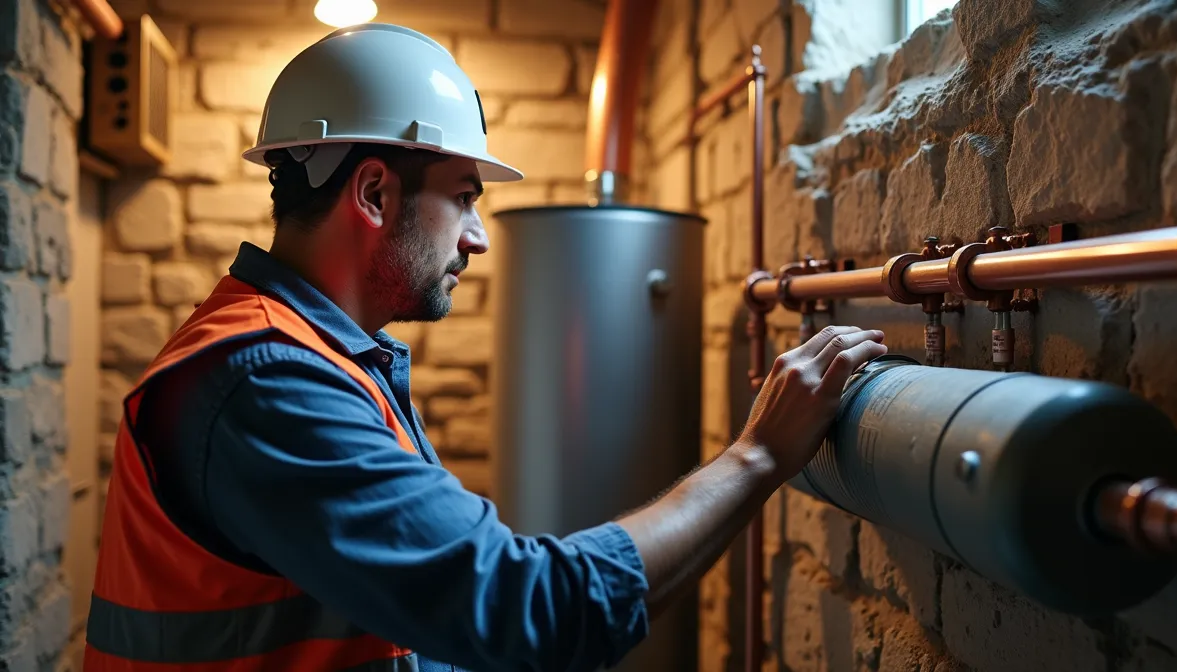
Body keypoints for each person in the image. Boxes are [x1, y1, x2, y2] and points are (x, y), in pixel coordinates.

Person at [84, 23, 887, 672]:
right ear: (372, 193)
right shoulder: (265, 382)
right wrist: (755, 457)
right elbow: (524, 610)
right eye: (464, 198)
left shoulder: (318, 356)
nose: (478, 238)